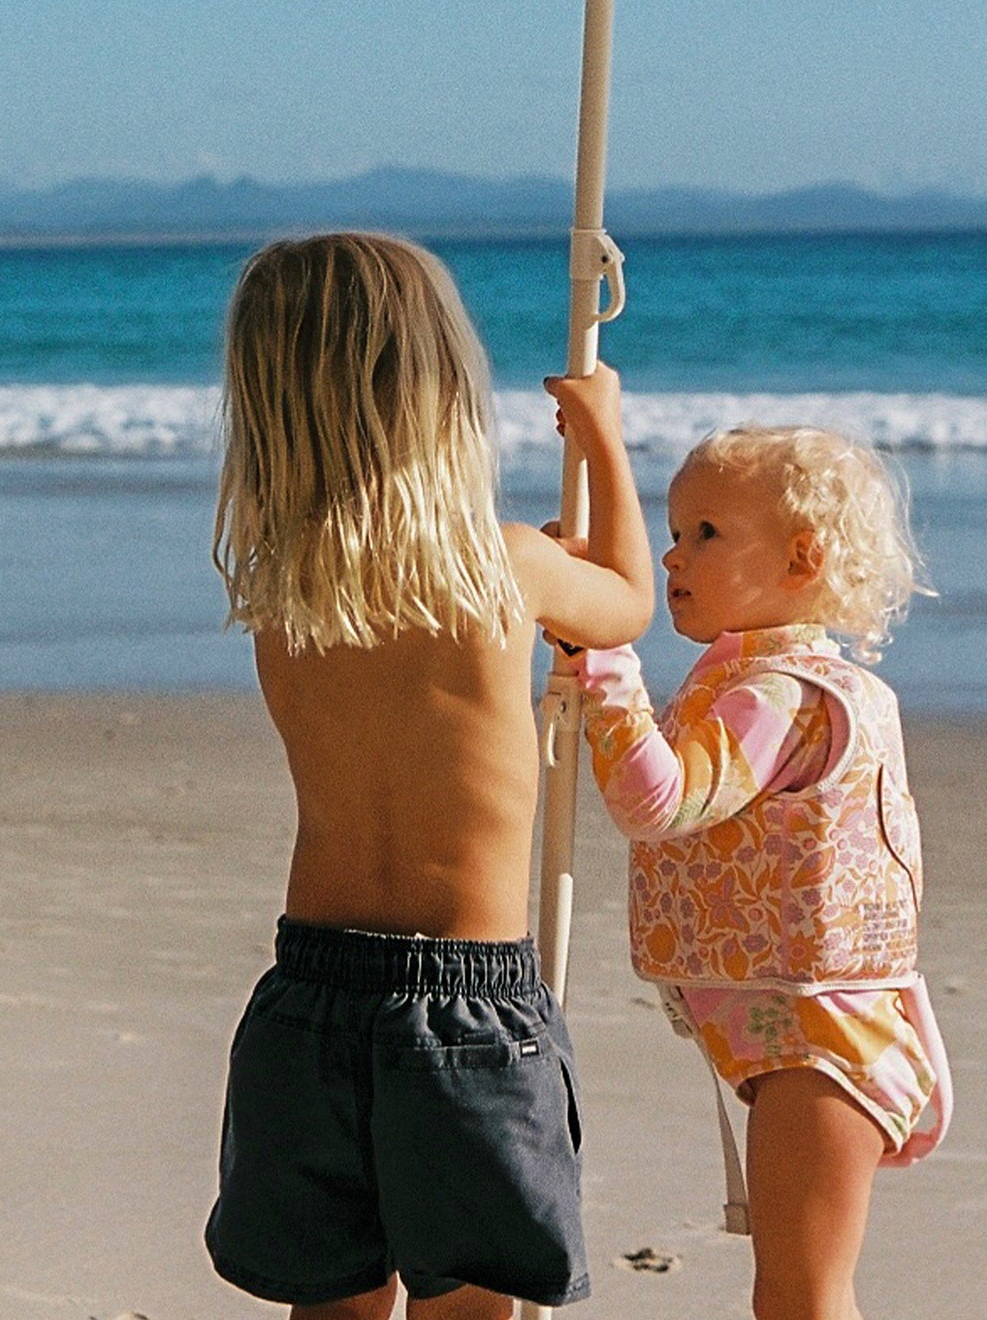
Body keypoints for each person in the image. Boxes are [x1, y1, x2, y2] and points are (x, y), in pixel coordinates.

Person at [204, 233, 656, 1320]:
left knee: (330, 1304)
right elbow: (627, 601)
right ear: (440, 389)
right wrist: (603, 436)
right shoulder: (504, 567)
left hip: (307, 1000)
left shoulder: (285, 590)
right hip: (464, 1007)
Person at [565, 425, 952, 1320]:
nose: (673, 555)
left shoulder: (782, 695)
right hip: (799, 1034)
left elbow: (658, 801)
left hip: (826, 1043)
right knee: (794, 1294)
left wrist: (607, 664)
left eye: (707, 533)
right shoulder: (754, 681)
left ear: (801, 558)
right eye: (674, 531)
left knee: (801, 1296)